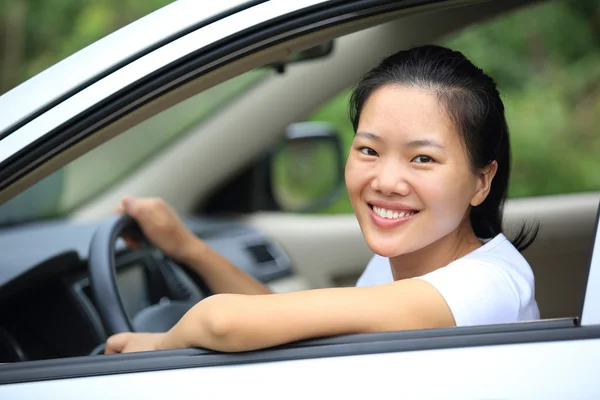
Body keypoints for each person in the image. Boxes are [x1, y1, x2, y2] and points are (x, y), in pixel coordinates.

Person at [105, 44, 540, 355]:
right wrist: (186, 247)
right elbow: (277, 318)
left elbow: (222, 322)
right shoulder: (410, 255)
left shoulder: (487, 288)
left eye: (422, 158)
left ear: (481, 181)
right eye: (369, 150)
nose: (387, 181)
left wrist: (159, 346)